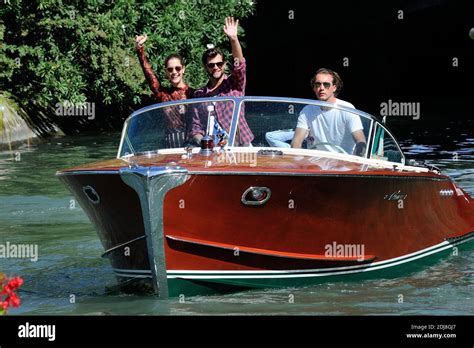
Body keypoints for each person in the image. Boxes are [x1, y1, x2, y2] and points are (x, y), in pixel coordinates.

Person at [190, 17, 254, 146]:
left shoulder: (234, 84)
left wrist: (233, 39)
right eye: (211, 65)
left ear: (224, 65)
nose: (216, 67)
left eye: (219, 64)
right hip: (213, 149)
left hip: (241, 145)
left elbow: (240, 65)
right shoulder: (199, 95)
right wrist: (202, 141)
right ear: (205, 67)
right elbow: (196, 127)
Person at [135, 34, 194, 147]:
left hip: (190, 144)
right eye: (170, 69)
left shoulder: (193, 94)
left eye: (177, 68)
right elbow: (149, 74)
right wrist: (140, 49)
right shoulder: (163, 95)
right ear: (166, 72)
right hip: (169, 144)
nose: (174, 72)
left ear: (183, 69)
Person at [291, 68, 366, 156]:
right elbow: (296, 142)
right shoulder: (307, 111)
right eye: (318, 84)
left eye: (326, 85)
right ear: (314, 88)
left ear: (334, 88)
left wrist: (356, 164)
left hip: (344, 163)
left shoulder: (347, 109)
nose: (321, 88)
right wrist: (299, 162)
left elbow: (361, 141)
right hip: (314, 163)